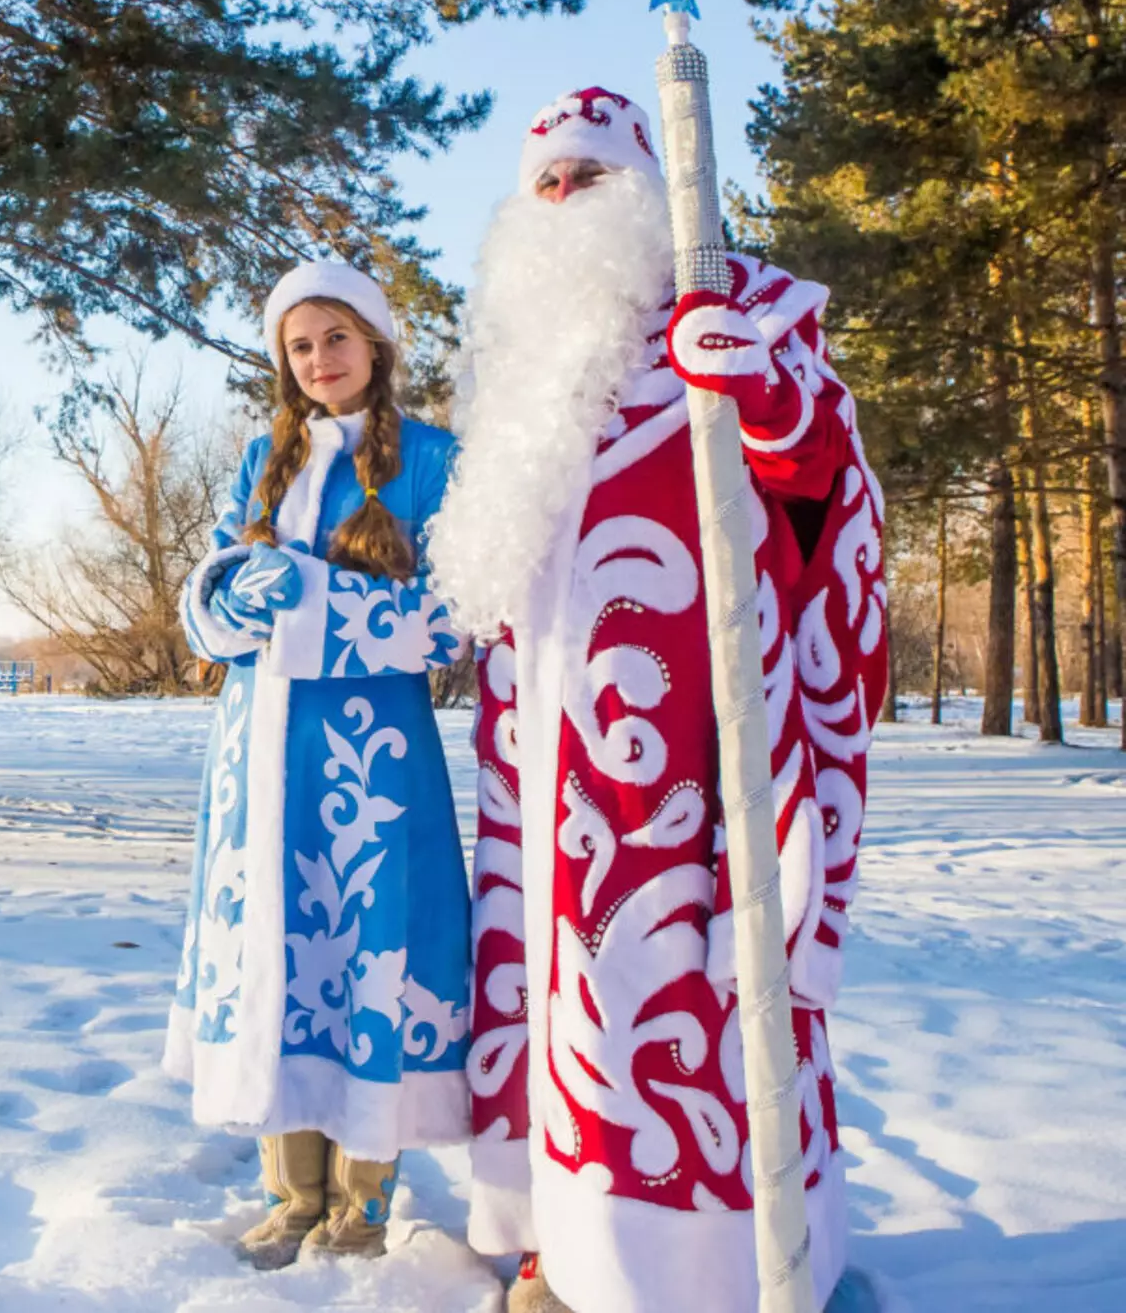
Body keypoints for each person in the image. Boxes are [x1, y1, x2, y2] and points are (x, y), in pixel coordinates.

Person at [428, 88, 889, 1313]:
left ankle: (715, 1274)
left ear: (650, 190)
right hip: (543, 779)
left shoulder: (745, 321)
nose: (567, 201)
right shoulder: (522, 389)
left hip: (695, 772)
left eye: (592, 176)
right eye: (546, 185)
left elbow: (822, 497)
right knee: (552, 1004)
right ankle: (560, 1247)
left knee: (693, 1007)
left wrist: (770, 404)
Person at [165, 259, 472, 1268]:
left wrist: (304, 605)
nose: (319, 359)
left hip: (374, 771)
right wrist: (226, 599)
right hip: (256, 760)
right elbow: (205, 597)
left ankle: (363, 1197)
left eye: (336, 338)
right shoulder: (261, 454)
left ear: (377, 344)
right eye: (300, 345)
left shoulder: (433, 460)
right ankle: (289, 1189)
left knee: (364, 948)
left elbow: (453, 625)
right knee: (273, 953)